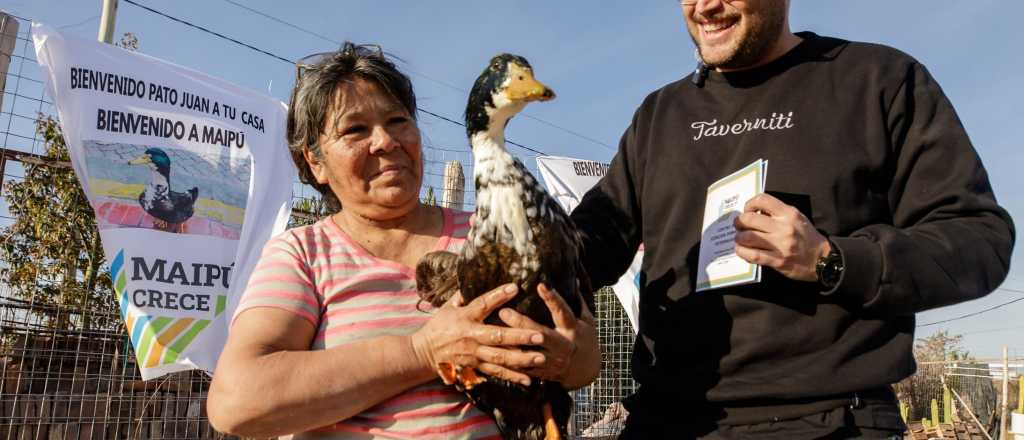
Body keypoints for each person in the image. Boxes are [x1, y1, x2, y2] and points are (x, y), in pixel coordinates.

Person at [570, 0, 1016, 438]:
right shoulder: (659, 116)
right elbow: (581, 249)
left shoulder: (877, 80)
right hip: (666, 420)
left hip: (830, 420)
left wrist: (829, 259)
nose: (704, 6)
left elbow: (980, 240)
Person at [207, 43, 600, 439]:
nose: (385, 141)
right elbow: (236, 402)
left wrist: (567, 358)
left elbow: (586, 359)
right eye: (355, 129)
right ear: (315, 161)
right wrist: (421, 352)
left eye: (397, 120)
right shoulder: (303, 254)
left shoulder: (501, 229)